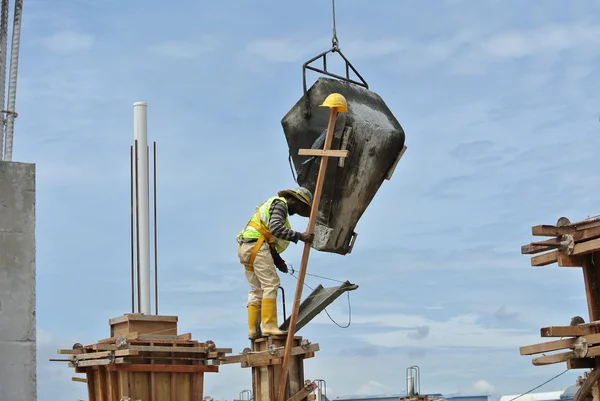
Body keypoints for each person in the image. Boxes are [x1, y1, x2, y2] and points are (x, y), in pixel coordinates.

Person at [237, 187, 315, 339]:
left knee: (257, 290)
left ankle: (253, 330)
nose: (298, 211)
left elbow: (268, 236)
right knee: (271, 284)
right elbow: (276, 229)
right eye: (300, 207)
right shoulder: (280, 205)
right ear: (294, 200)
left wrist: (279, 262)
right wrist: (300, 236)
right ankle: (269, 326)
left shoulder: (271, 205)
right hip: (257, 246)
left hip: (246, 247)